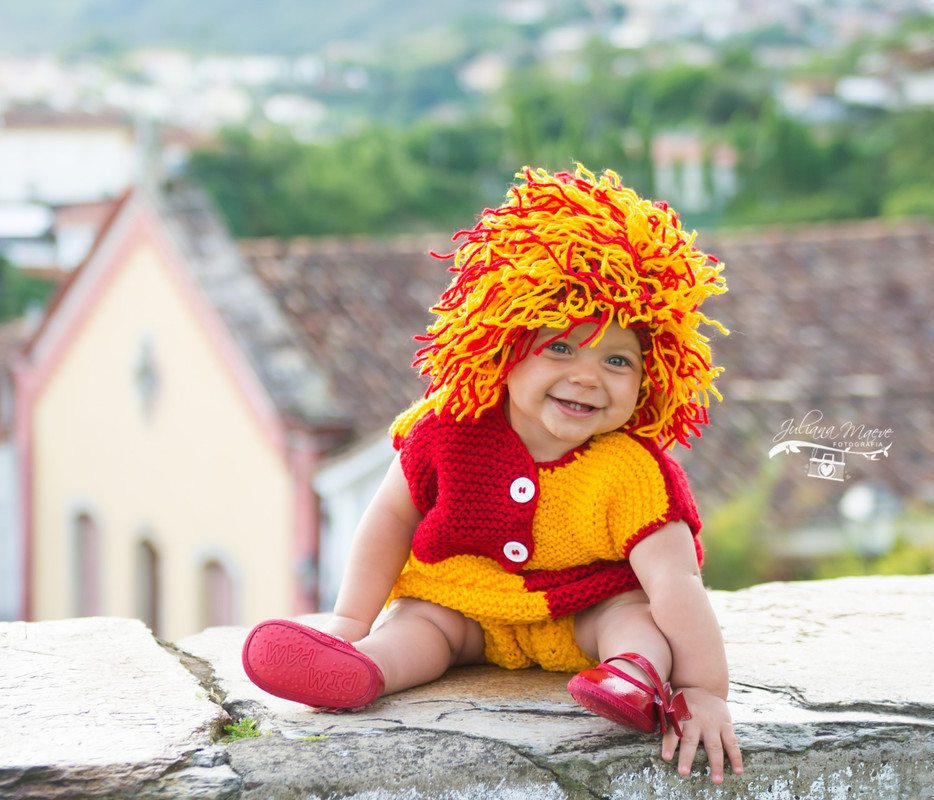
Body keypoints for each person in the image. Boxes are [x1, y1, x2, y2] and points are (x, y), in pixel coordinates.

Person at [242, 165, 743, 784]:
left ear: (650, 378)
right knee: (421, 628)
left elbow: (677, 586)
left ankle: (634, 675)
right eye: (560, 346)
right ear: (505, 347)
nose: (588, 376)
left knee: (635, 618)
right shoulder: (446, 428)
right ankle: (361, 668)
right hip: (464, 607)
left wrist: (705, 691)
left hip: (582, 612)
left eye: (618, 360)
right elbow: (390, 519)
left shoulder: (633, 471)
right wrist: (349, 618)